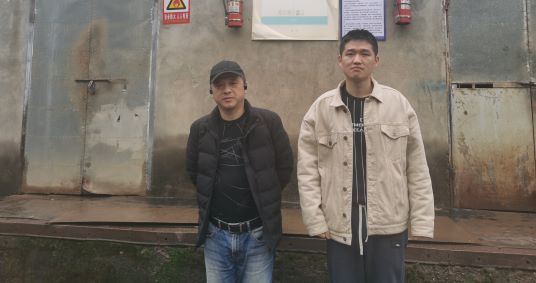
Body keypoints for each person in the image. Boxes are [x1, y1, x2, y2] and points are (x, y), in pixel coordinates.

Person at [297, 29, 434, 283]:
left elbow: (417, 168)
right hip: (340, 223)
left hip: (388, 223)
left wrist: (422, 221)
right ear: (340, 60)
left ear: (376, 60)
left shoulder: (398, 105)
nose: (357, 60)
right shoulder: (321, 109)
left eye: (364, 53)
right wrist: (315, 220)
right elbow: (308, 171)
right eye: (350, 53)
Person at [186, 60, 294, 283]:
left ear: (245, 85)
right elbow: (194, 172)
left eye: (233, 83)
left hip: (258, 235)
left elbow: (284, 168)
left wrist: (266, 193)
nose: (227, 90)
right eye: (219, 85)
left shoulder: (268, 122)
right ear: (211, 90)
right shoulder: (200, 129)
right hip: (215, 235)